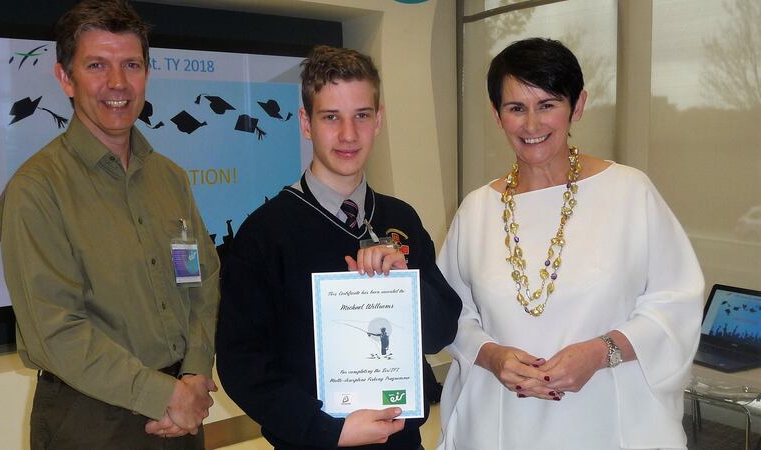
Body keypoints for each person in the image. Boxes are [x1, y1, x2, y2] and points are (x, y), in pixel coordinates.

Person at [436, 38, 704, 450]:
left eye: (547, 105)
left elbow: (675, 302)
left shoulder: (628, 192)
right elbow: (451, 314)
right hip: (501, 423)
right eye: (516, 108)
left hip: (610, 422)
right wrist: (492, 356)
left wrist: (600, 352)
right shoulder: (477, 209)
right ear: (496, 114)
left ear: (577, 106)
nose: (531, 125)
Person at [0, 1, 220, 448]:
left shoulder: (170, 178)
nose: (117, 83)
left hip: (182, 412)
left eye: (131, 65)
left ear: (147, 74)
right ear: (66, 78)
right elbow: (56, 331)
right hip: (89, 420)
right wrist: (163, 395)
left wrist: (194, 372)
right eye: (97, 65)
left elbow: (200, 280)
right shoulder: (36, 190)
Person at [216, 45, 462, 450]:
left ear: (378, 120)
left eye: (361, 116)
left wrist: (406, 284)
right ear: (306, 123)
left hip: (402, 442)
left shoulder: (400, 219)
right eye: (331, 117)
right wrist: (330, 431)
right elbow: (242, 365)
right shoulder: (264, 234)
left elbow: (440, 334)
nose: (348, 134)